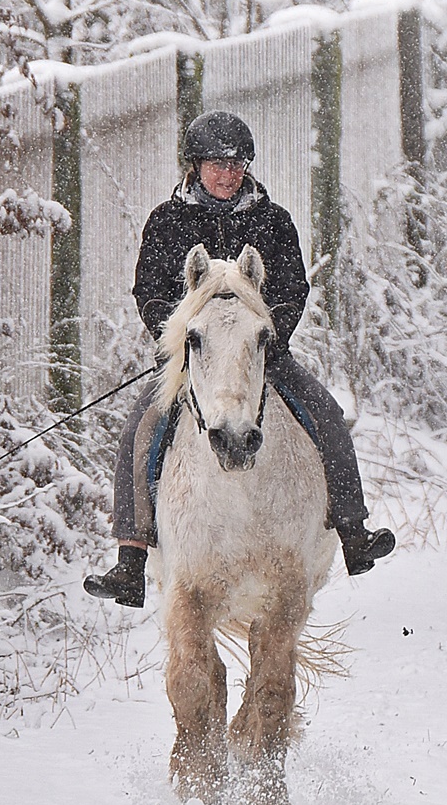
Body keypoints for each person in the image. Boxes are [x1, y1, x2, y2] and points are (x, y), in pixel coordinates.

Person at [83, 110, 395, 608]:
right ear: (196, 166)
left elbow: (293, 289)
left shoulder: (273, 221)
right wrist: (185, 337)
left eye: (237, 164)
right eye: (217, 165)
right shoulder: (167, 223)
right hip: (196, 360)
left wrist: (267, 336)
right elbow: (149, 291)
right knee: (141, 430)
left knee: (327, 412)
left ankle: (352, 528)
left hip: (262, 356)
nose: (228, 175)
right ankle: (131, 558)